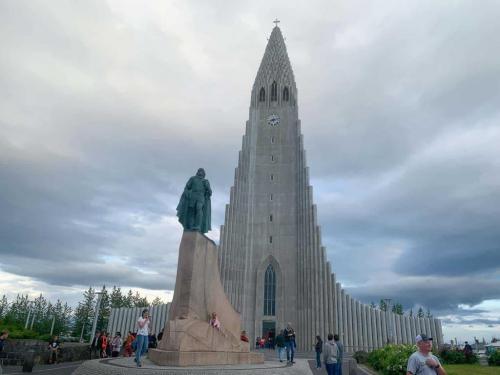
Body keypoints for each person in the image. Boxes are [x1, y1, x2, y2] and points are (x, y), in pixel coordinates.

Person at [176, 168, 212, 233]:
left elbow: (210, 192)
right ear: (197, 172)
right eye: (199, 171)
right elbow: (187, 187)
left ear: (204, 174)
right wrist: (187, 193)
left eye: (202, 171)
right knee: (191, 211)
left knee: (199, 208)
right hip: (193, 196)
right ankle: (190, 226)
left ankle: (198, 226)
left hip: (201, 196)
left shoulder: (205, 181)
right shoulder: (193, 179)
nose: (200, 172)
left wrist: (207, 187)